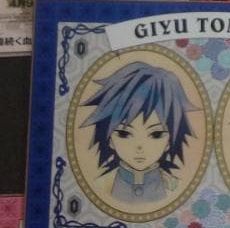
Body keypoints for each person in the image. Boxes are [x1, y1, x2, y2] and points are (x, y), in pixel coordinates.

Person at [81, 61, 197, 205]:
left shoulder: (176, 188)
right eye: (124, 134)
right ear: (109, 138)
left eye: (156, 134)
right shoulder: (101, 186)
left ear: (170, 140)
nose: (139, 146)